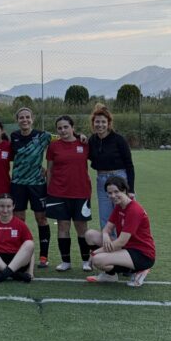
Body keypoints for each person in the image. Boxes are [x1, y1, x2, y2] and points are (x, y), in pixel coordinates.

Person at [84, 176, 155, 287]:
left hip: (142, 254)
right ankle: (110, 275)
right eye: (110, 193)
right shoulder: (119, 206)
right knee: (90, 235)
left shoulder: (134, 210)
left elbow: (120, 242)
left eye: (116, 191)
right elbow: (107, 228)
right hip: (127, 247)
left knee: (97, 259)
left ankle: (140, 269)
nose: (113, 196)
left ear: (124, 190)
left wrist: (94, 253)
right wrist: (106, 235)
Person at [46, 115, 93, 272]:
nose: (63, 130)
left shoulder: (84, 143)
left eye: (66, 127)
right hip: (58, 192)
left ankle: (86, 261)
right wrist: (49, 190)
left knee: (82, 227)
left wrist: (83, 137)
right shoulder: (53, 146)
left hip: (81, 192)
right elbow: (50, 170)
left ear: (73, 128)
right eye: (59, 128)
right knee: (63, 226)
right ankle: (65, 261)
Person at [9, 106, 52, 268]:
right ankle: (22, 254)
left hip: (37, 184)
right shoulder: (13, 136)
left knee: (41, 219)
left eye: (27, 117)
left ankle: (43, 256)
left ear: (32, 119)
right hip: (18, 184)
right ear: (17, 120)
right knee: (19, 220)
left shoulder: (43, 136)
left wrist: (78, 135)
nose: (25, 120)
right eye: (21, 117)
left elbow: (63, 136)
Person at [88, 103, 136, 229]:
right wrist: (79, 137)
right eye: (97, 122)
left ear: (109, 123)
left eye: (103, 122)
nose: (100, 125)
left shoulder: (119, 140)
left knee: (124, 217)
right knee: (105, 218)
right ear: (93, 123)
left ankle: (125, 241)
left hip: (120, 178)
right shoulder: (92, 140)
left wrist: (131, 190)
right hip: (102, 180)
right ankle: (108, 240)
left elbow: (129, 165)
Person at [0, 193, 34, 283]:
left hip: (17, 262)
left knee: (29, 243)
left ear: (13, 206)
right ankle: (14, 275)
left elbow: (31, 251)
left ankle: (1, 276)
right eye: (2, 206)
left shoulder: (20, 224)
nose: (5, 210)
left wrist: (30, 271)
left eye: (8, 206)